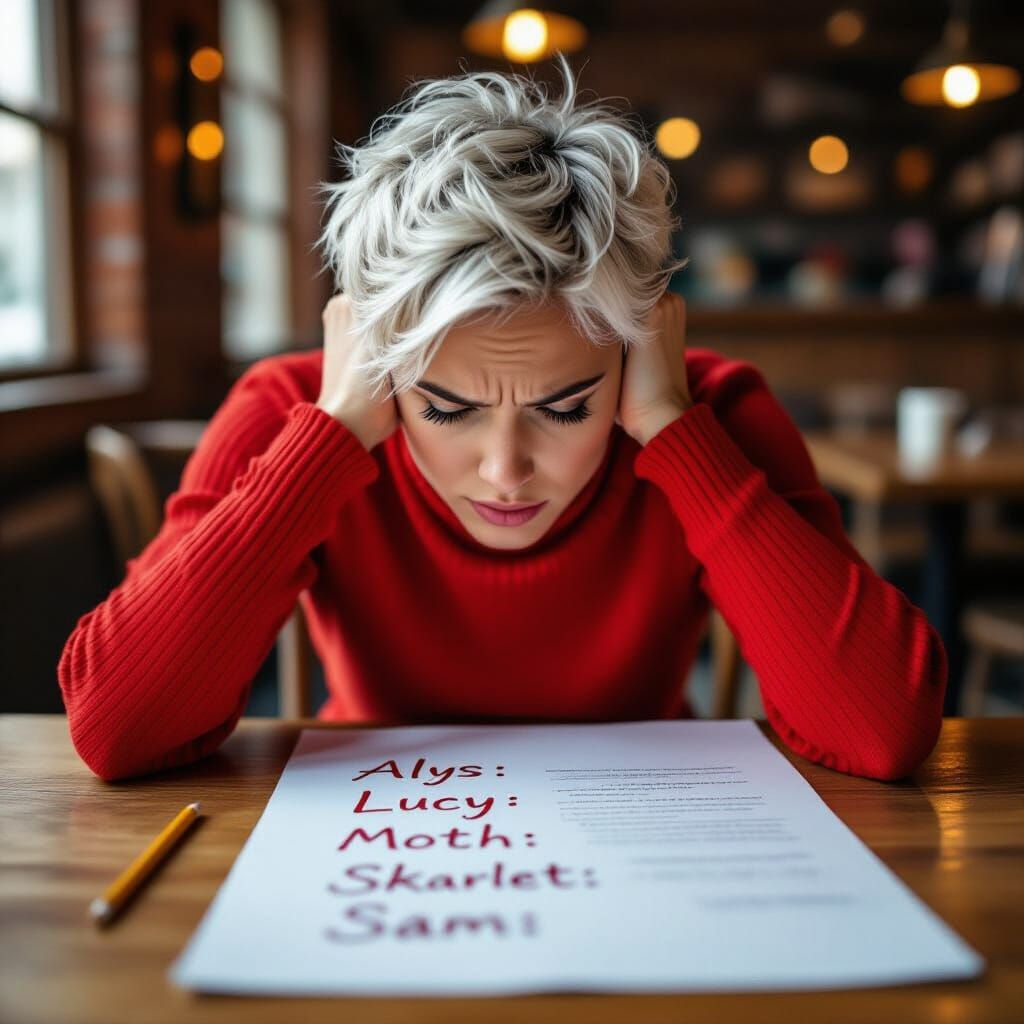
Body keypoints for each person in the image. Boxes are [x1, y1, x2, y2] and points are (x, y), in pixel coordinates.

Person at [58, 57, 947, 784]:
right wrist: (333, 434)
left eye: (568, 407)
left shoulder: (709, 413)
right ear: (381, 359)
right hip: (373, 832)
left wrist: (673, 429)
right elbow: (115, 726)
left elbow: (884, 728)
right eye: (446, 408)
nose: (505, 471)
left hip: (655, 824)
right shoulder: (293, 411)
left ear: (636, 355)